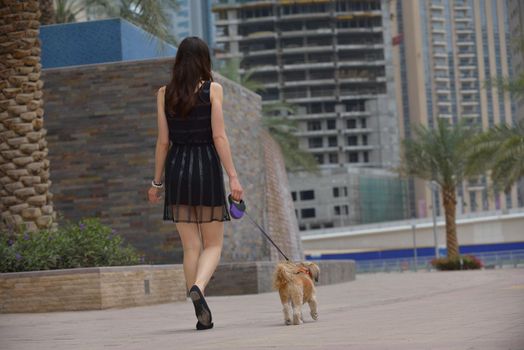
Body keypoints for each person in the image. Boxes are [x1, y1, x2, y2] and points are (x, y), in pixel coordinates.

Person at [147, 36, 244, 330]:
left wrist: (156, 183)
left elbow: (163, 142)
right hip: (205, 168)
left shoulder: (164, 94)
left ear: (179, 61)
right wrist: (234, 177)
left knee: (191, 247)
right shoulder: (213, 90)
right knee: (213, 244)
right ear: (204, 61)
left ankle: (198, 311)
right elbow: (219, 137)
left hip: (177, 170)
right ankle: (200, 287)